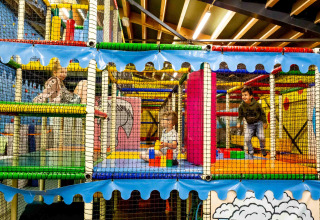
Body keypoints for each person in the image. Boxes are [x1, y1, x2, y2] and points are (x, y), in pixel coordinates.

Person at [237, 87, 268, 159]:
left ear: (251, 96)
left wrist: (264, 122)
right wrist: (239, 122)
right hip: (249, 124)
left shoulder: (256, 104)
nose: (244, 97)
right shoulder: (241, 106)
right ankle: (251, 151)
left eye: (246, 95)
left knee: (261, 137)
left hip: (258, 123)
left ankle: (262, 148)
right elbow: (240, 116)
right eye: (243, 95)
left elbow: (262, 113)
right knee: (247, 138)